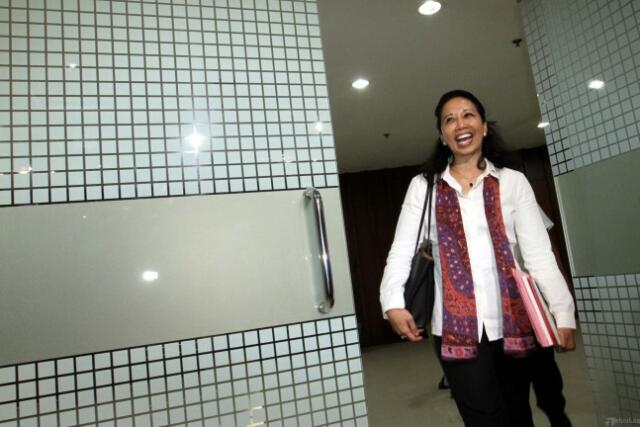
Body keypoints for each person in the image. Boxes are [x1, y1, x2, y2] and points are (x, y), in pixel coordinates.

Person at [379, 89, 577, 427]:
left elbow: (539, 256)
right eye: (450, 120)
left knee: (518, 415)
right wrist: (392, 302)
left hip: (514, 324)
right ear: (442, 135)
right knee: (482, 419)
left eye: (468, 115)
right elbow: (402, 249)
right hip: (455, 329)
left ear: (484, 127)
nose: (460, 124)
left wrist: (563, 312)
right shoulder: (424, 186)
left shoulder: (513, 182)